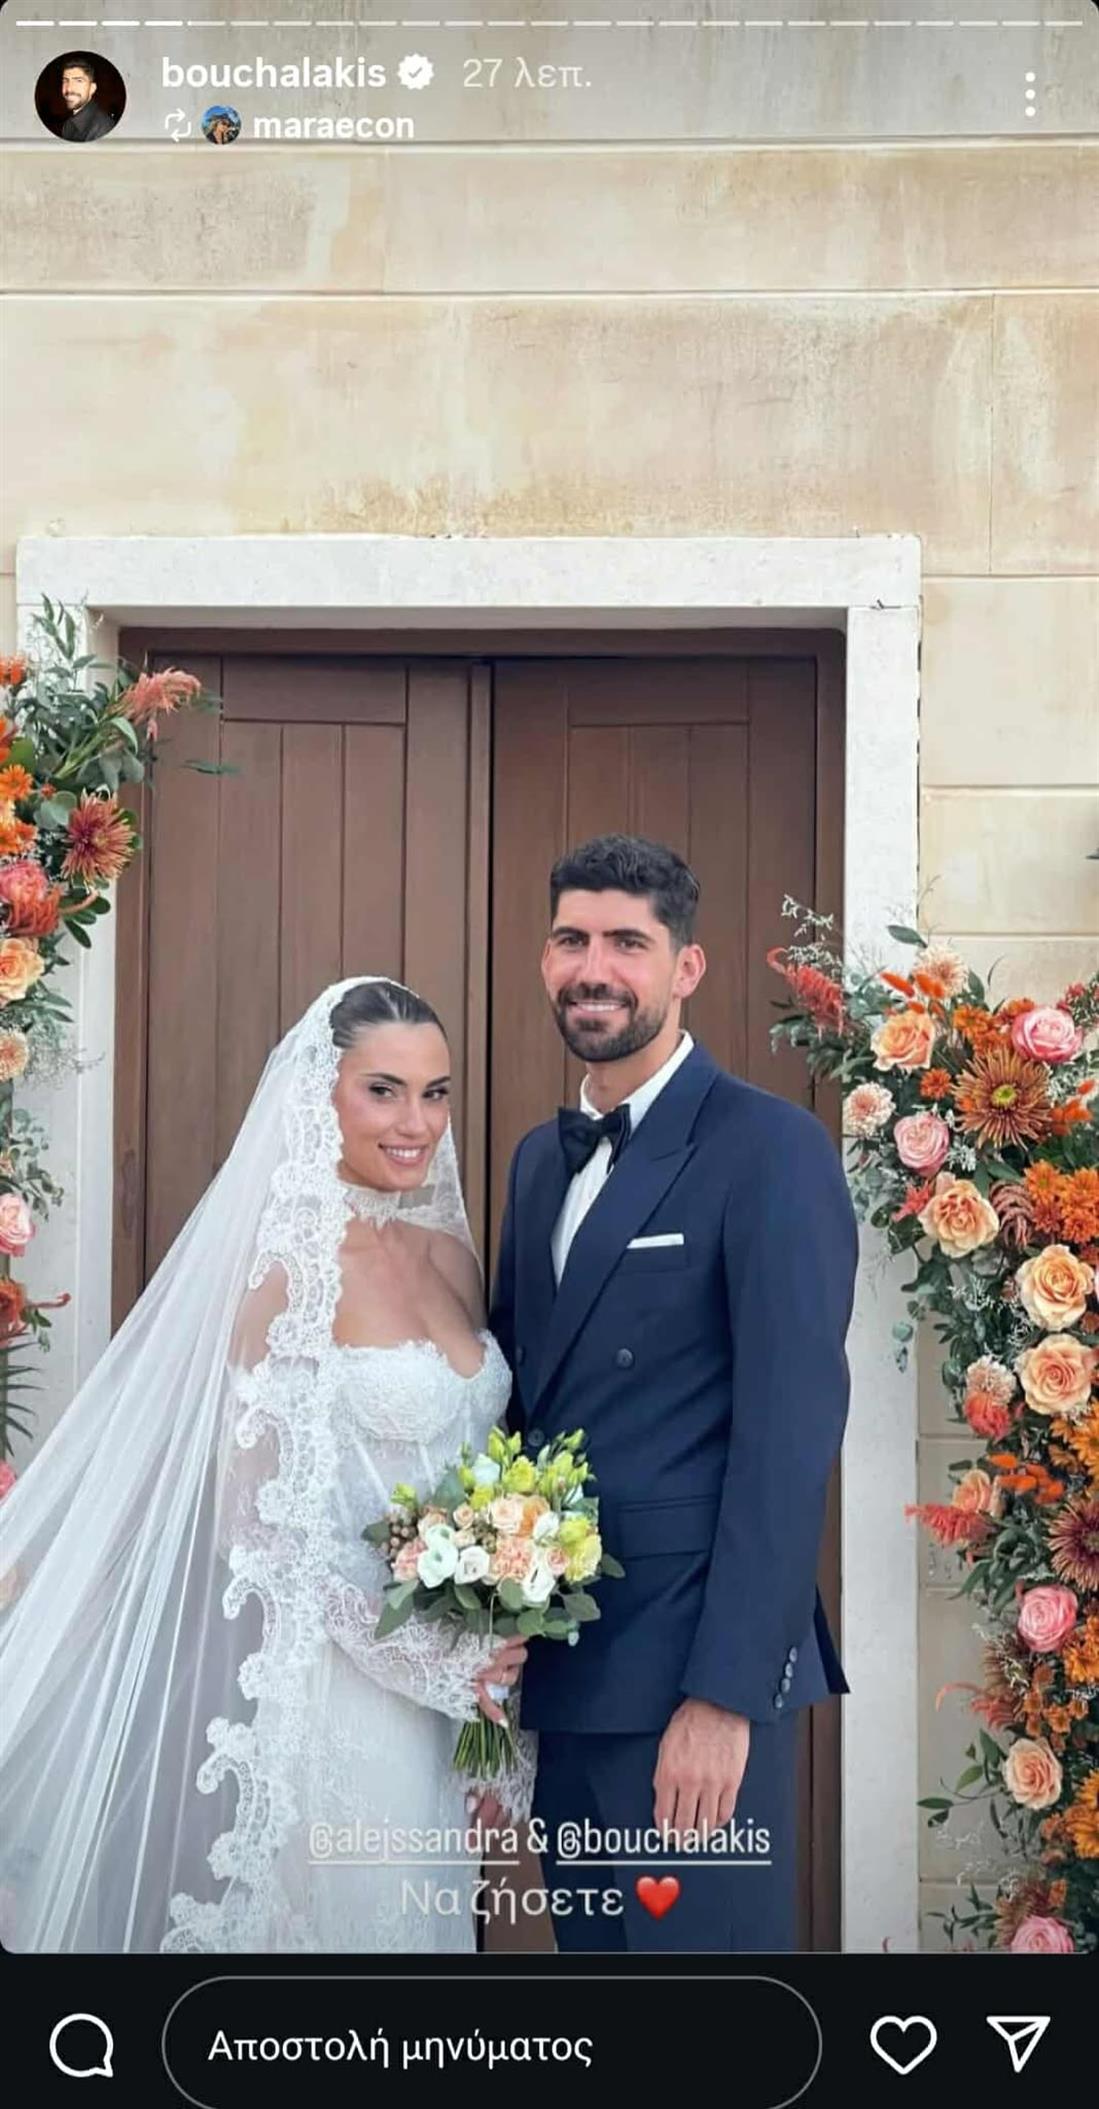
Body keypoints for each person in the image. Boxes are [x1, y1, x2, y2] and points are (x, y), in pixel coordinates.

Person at [0, 976, 532, 1953]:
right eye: (383, 1090)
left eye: (435, 1093)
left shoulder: (452, 1261)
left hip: (455, 1710)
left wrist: (491, 1709)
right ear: (319, 1095)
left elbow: (484, 1490)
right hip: (346, 1699)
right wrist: (427, 1661)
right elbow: (254, 1527)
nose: (416, 1123)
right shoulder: (288, 1276)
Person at [490, 835, 859, 1952]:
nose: (592, 968)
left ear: (685, 968)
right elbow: (523, 1412)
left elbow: (787, 1443)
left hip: (689, 1672)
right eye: (571, 940)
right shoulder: (537, 1162)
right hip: (564, 1669)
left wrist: (726, 1696)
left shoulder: (770, 1148)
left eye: (626, 943)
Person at [58, 56, 117, 142]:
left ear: (92, 88)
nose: (69, 89)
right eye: (65, 81)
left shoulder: (103, 128)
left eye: (78, 81)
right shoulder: (68, 124)